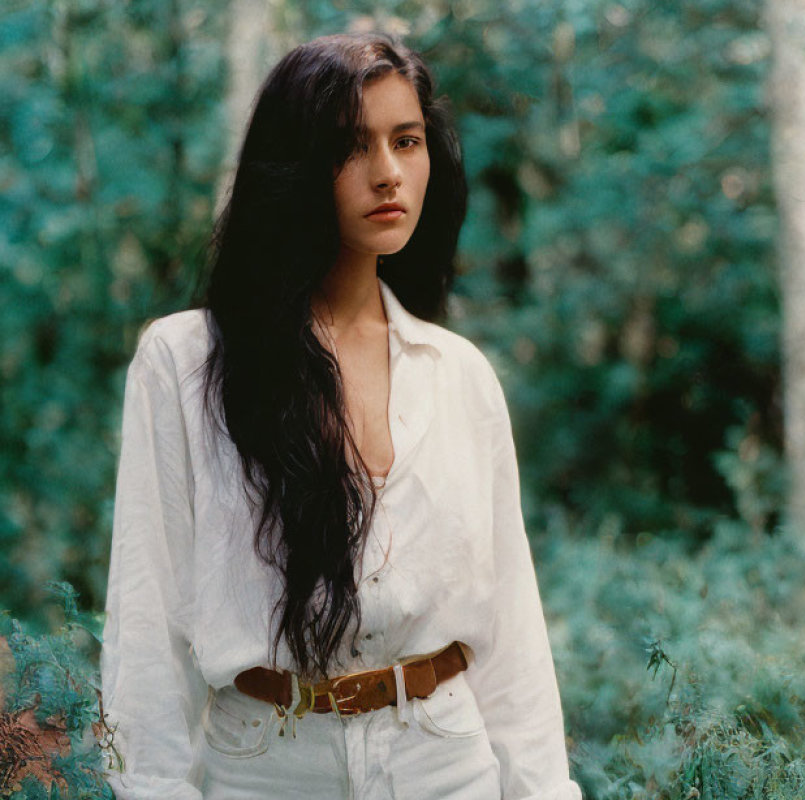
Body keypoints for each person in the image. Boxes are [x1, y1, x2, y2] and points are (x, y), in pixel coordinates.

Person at [98, 30, 581, 800]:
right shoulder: (184, 363)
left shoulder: (459, 376)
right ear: (294, 168)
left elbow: (513, 629)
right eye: (353, 147)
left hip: (446, 762)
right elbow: (146, 621)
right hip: (265, 766)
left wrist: (547, 791)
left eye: (407, 141)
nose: (388, 173)